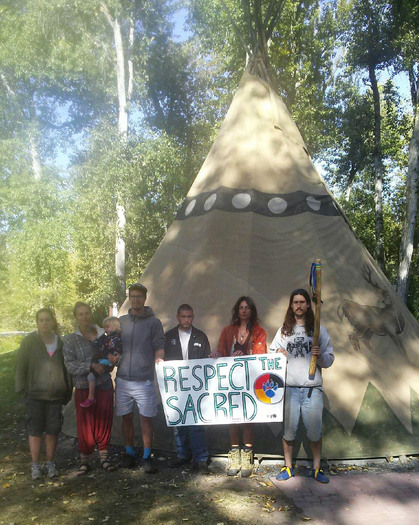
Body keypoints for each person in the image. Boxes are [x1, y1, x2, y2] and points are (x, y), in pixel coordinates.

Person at [270, 288, 334, 484]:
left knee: (314, 432)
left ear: (308, 305)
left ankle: (316, 469)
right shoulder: (284, 331)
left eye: (302, 302)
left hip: (311, 389)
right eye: (295, 302)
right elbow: (271, 355)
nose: (299, 305)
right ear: (291, 305)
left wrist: (319, 355)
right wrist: (278, 353)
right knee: (288, 431)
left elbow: (329, 359)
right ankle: (288, 467)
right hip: (289, 388)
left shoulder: (318, 330)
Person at [112, 283, 165, 474]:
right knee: (126, 418)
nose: (135, 300)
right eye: (132, 296)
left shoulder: (154, 323)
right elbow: (112, 343)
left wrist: (159, 357)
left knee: (146, 419)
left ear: (144, 298)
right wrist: (112, 356)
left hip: (144, 379)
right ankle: (129, 453)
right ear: (129, 298)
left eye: (139, 297)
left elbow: (159, 344)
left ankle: (146, 456)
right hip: (123, 378)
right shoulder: (121, 321)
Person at [212, 296, 267, 477]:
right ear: (237, 310)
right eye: (241, 307)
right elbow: (221, 350)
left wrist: (245, 357)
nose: (244, 310)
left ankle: (247, 457)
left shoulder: (259, 332)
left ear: (252, 311)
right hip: (231, 380)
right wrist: (217, 355)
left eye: (247, 307)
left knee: (248, 418)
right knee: (233, 417)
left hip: (250, 381)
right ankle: (234, 454)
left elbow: (261, 355)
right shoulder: (228, 331)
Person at [15, 308, 72, 480]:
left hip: (55, 395)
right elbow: (20, 366)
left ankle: (50, 463)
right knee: (35, 430)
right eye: (41, 320)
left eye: (47, 320)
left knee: (53, 430)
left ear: (53, 322)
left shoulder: (60, 343)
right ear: (37, 322)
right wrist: (22, 389)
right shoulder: (29, 342)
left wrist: (67, 391)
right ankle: (35, 465)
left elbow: (67, 368)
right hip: (35, 395)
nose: (44, 323)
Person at [63, 302, 116, 475]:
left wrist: (107, 365)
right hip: (83, 386)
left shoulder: (103, 334)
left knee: (104, 419)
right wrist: (90, 366)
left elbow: (111, 355)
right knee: (85, 422)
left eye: (87, 313)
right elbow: (70, 365)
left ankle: (104, 457)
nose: (84, 317)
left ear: (91, 314)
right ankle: (84, 460)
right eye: (80, 314)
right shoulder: (70, 339)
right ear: (75, 317)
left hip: (104, 384)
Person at [164, 304, 211, 474]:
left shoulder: (200, 336)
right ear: (177, 317)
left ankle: (201, 458)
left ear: (193, 317)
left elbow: (206, 360)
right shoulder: (169, 337)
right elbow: (162, 358)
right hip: (176, 386)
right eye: (183, 317)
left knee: (196, 422)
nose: (186, 320)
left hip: (196, 387)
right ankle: (183, 454)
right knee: (179, 423)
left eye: (189, 317)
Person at [80, 316, 122, 409]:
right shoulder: (112, 338)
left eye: (108, 327)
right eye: (105, 327)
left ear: (115, 326)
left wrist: (96, 343)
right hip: (105, 360)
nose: (105, 329)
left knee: (91, 376)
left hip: (106, 361)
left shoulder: (113, 339)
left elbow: (107, 349)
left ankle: (91, 397)